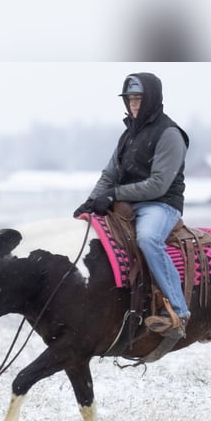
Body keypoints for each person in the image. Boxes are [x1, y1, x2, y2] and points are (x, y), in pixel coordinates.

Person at [74, 72, 190, 339]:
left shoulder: (170, 134)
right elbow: (109, 173)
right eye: (129, 99)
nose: (133, 104)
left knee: (148, 239)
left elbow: (158, 184)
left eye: (138, 98)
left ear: (152, 99)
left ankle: (179, 310)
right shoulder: (128, 134)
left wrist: (114, 195)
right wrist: (91, 202)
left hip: (160, 205)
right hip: (126, 203)